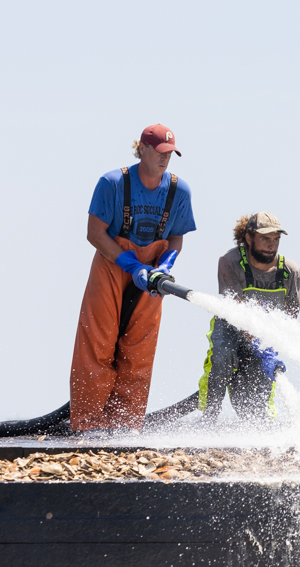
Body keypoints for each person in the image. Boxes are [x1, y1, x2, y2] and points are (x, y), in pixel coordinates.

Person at [69, 124, 196, 434]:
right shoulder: (113, 183)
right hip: (112, 265)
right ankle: (88, 426)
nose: (166, 159)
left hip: (152, 275)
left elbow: (176, 237)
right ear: (143, 149)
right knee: (97, 343)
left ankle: (126, 427)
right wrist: (129, 263)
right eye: (161, 152)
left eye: (171, 154)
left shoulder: (179, 190)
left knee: (139, 350)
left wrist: (164, 264)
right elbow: (94, 233)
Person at [198, 212, 300, 425]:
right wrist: (258, 342)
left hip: (265, 336)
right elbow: (237, 311)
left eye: (276, 239)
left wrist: (272, 344)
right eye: (265, 239)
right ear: (248, 238)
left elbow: (290, 315)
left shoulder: (290, 271)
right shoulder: (230, 262)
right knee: (223, 358)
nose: (271, 245)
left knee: (255, 406)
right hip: (231, 327)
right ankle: (207, 421)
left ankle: (257, 427)